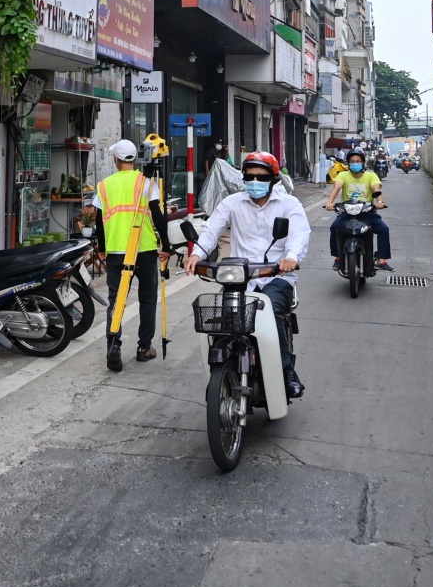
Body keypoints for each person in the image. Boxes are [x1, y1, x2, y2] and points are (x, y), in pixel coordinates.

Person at [189, 152, 311, 399]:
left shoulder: (289, 204)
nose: (255, 181)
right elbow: (212, 228)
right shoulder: (232, 202)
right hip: (240, 276)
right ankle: (221, 374)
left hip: (276, 276)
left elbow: (299, 234)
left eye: (261, 177)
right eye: (250, 176)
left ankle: (286, 371)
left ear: (273, 179)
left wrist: (291, 258)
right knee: (222, 318)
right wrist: (196, 253)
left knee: (272, 312)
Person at [92, 138, 166, 371]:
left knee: (117, 300)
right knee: (147, 298)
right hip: (143, 249)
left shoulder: (104, 185)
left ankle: (113, 345)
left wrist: (102, 249)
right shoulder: (145, 182)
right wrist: (166, 246)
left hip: (116, 251)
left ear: (116, 159)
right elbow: (158, 215)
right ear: (134, 159)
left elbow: (98, 220)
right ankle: (144, 348)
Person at [323, 147, 392, 271]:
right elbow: (336, 188)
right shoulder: (343, 175)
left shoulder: (371, 175)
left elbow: (376, 190)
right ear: (348, 163)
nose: (355, 163)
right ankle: (338, 257)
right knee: (335, 227)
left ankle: (381, 259)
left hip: (367, 212)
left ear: (363, 162)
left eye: (358, 161)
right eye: (352, 161)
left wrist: (380, 202)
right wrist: (330, 202)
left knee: (383, 229)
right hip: (347, 212)